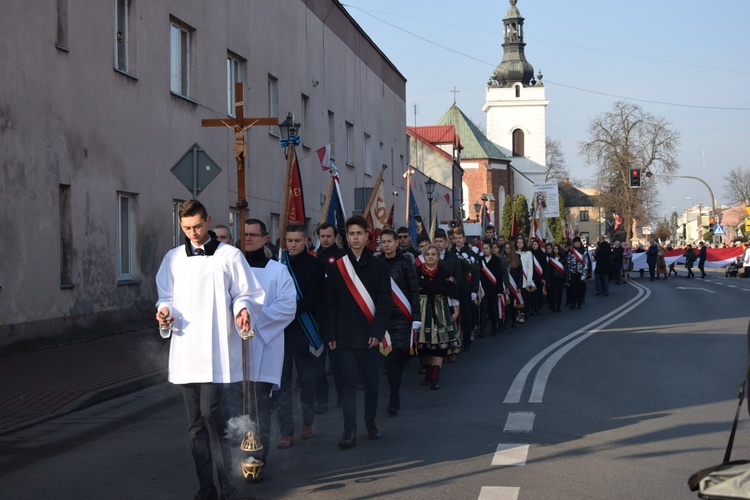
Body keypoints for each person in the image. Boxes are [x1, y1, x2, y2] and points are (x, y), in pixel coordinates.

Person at [155, 200, 265, 500]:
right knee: (195, 425)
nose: (193, 232)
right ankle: (206, 486)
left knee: (212, 414)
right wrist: (164, 311)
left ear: (209, 221)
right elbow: (166, 296)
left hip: (217, 349)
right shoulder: (173, 258)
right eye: (187, 228)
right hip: (186, 350)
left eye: (198, 226)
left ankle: (227, 478)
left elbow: (247, 293)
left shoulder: (230, 256)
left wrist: (242, 309)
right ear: (181, 226)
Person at [324, 215, 391, 448]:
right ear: (346, 237)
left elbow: (384, 302)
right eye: (351, 234)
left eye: (359, 233)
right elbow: (329, 303)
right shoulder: (338, 266)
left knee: (371, 382)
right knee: (348, 384)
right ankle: (349, 429)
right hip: (344, 335)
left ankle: (370, 422)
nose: (355, 238)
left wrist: (378, 330)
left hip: (370, 335)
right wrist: (330, 334)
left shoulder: (379, 266)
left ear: (367, 235)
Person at [238, 217, 297, 482]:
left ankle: (258, 459)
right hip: (233, 348)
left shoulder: (278, 270)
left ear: (265, 239)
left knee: (259, 408)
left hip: (265, 346)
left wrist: (254, 324)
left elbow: (288, 306)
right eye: (244, 234)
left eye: (253, 234)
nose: (248, 238)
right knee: (236, 408)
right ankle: (236, 455)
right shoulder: (232, 269)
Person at [275, 222, 326, 450]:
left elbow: (315, 297)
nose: (293, 245)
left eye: (297, 240)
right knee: (282, 384)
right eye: (289, 240)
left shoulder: (315, 265)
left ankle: (308, 422)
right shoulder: (277, 265)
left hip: (305, 329)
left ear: (306, 241)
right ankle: (286, 431)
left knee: (307, 381)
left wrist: (288, 310)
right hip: (281, 332)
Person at [376, 229, 421, 415]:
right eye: (383, 241)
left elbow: (414, 291)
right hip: (384, 318)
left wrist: (417, 317)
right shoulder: (376, 264)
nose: (386, 244)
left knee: (397, 357)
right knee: (388, 360)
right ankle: (394, 394)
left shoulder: (406, 263)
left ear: (396, 243)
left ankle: (395, 395)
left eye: (389, 241)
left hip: (402, 316)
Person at [416, 244, 460, 389]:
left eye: (433, 254)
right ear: (423, 255)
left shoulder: (444, 272)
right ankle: (428, 374)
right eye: (428, 254)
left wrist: (456, 310)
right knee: (425, 345)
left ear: (437, 256)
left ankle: (435, 377)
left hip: (440, 308)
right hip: (423, 309)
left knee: (439, 345)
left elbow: (452, 291)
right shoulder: (416, 272)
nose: (430, 257)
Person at [314, 221, 346, 412]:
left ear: (335, 237)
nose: (325, 239)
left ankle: (342, 395)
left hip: (336, 316)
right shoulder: (314, 257)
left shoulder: (342, 257)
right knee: (318, 362)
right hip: (318, 315)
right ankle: (322, 399)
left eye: (328, 236)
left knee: (338, 361)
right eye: (322, 236)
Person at [450, 227, 480, 351]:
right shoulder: (450, 253)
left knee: (467, 316)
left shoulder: (471, 254)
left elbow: (476, 273)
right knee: (454, 316)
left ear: (464, 238)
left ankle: (467, 341)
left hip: (467, 290)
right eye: (455, 238)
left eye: (460, 238)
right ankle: (455, 340)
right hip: (453, 290)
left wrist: (474, 290)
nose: (458, 240)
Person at [479, 238, 508, 336]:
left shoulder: (496, 260)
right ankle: (482, 330)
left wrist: (500, 290)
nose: (485, 250)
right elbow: (479, 275)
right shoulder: (481, 260)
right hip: (484, 290)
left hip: (494, 289)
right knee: (483, 310)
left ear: (491, 249)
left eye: (487, 248)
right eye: (483, 248)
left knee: (493, 310)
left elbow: (499, 276)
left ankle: (494, 328)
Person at [566, 236, 591, 309]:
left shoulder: (584, 251)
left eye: (576, 242)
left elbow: (586, 263)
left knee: (580, 288)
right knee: (573, 288)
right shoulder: (571, 251)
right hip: (573, 272)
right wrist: (569, 272)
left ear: (579, 242)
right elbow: (568, 262)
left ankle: (580, 302)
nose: (575, 244)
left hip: (580, 272)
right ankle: (573, 302)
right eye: (574, 243)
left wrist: (584, 273)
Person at [545, 243, 567, 312]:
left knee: (559, 293)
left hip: (560, 279)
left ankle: (558, 306)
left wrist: (567, 280)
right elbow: (548, 270)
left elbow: (566, 270)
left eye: (557, 248)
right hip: (553, 278)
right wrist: (547, 280)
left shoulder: (563, 258)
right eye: (554, 249)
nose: (555, 250)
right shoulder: (551, 259)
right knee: (553, 293)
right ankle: (554, 306)